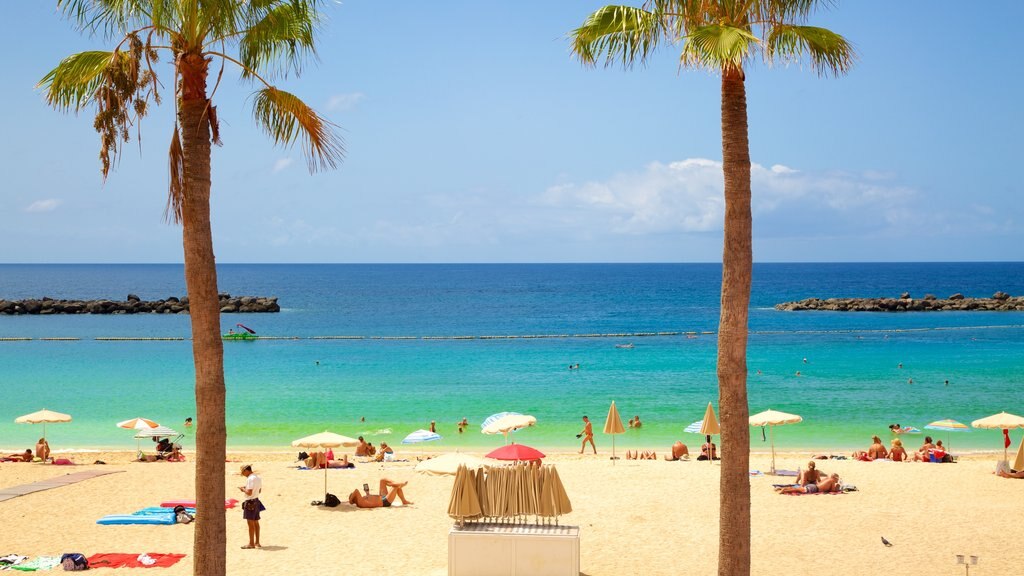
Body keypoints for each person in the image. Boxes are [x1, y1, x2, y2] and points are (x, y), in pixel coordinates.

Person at [238, 464, 263, 549]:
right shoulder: (258, 477)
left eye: (243, 473)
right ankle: (257, 542)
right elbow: (259, 490)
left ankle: (251, 543)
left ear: (246, 471)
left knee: (250, 523)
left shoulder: (250, 479)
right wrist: (247, 488)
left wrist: (243, 489)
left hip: (250, 502)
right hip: (256, 501)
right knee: (256, 522)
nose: (243, 475)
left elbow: (249, 493)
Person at [348, 479, 413, 508]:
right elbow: (356, 491)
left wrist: (367, 493)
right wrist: (350, 501)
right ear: (355, 498)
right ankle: (400, 485)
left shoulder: (362, 500)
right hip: (385, 501)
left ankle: (397, 484)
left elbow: (370, 501)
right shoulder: (360, 503)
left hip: (382, 496)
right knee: (395, 487)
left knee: (382, 480)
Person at [777, 473, 842, 494]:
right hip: (814, 488)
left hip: (813, 486)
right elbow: (832, 490)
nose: (837, 480)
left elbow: (822, 485)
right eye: (837, 479)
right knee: (798, 490)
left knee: (800, 488)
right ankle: (784, 490)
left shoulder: (827, 478)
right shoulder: (832, 480)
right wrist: (838, 486)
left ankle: (782, 488)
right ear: (835, 478)